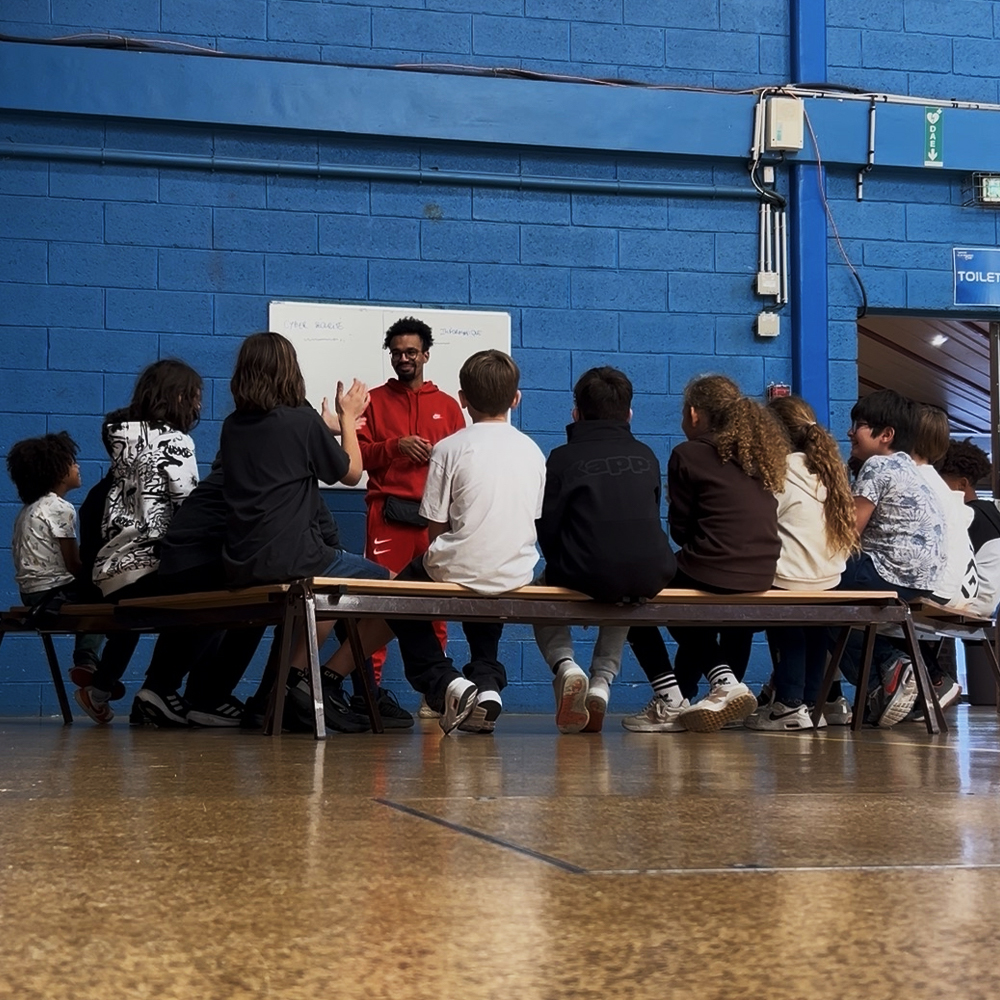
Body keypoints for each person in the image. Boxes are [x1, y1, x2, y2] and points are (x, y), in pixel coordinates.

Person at [321, 349, 546, 735]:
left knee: (401, 597)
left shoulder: (450, 448)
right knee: (485, 589)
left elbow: (434, 529)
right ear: (516, 398)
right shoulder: (533, 451)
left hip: (463, 562)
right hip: (517, 569)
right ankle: (488, 684)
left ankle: (445, 681)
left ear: (462, 399)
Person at [219, 330, 391, 733]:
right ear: (289, 371)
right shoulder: (300, 418)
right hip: (296, 557)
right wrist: (347, 420)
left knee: (327, 593)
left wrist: (324, 428)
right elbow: (351, 472)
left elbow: (281, 455)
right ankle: (322, 679)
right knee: (392, 586)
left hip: (242, 559)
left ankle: (281, 690)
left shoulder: (232, 426)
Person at [623, 374, 787, 734]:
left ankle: (684, 694)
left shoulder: (688, 453)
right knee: (701, 613)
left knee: (634, 595)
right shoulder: (756, 456)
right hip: (762, 571)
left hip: (715, 566)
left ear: (694, 414)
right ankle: (705, 693)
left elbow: (681, 530)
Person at [532, 367, 676, 733]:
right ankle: (602, 681)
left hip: (584, 569)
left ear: (576, 412)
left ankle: (565, 665)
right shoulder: (646, 455)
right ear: (629, 413)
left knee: (539, 587)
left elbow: (546, 527)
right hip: (651, 572)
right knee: (627, 585)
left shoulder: (562, 458)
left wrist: (564, 570)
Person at [83, 360, 204, 725]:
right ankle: (167, 690)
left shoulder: (120, 435)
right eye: (196, 397)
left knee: (136, 616)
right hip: (150, 564)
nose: (199, 406)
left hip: (111, 568)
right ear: (180, 396)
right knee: (215, 596)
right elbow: (188, 506)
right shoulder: (177, 441)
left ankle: (101, 688)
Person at [356, 316, 464, 723]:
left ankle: (433, 695)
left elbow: (462, 461)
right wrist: (395, 447)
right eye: (397, 352)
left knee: (435, 606)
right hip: (388, 517)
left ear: (426, 355)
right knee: (380, 603)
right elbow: (358, 457)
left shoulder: (448, 406)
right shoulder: (374, 401)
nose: (404, 359)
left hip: (434, 521)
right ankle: (370, 691)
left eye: (411, 352)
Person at [745, 396, 858, 731]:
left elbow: (763, 523)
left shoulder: (776, 472)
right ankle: (813, 703)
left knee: (788, 630)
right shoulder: (829, 470)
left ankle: (788, 704)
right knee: (814, 632)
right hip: (830, 578)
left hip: (788, 577)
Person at [835, 389, 946, 727]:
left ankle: (887, 669)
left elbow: (849, 531)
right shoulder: (911, 469)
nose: (851, 432)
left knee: (811, 589)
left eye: (860, 425)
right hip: (922, 579)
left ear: (886, 435)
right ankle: (886, 680)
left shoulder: (877, 466)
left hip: (889, 572)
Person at [6, 431, 104, 683]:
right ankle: (86, 660)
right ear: (58, 471)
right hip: (52, 594)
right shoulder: (60, 508)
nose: (77, 466)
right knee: (101, 597)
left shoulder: (27, 511)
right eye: (72, 462)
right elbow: (73, 564)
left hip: (29, 593)